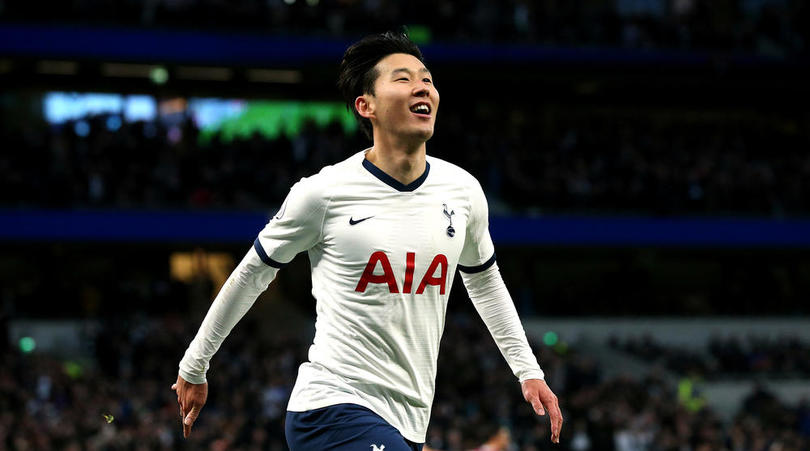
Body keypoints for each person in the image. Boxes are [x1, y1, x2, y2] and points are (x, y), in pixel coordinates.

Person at [172, 31, 563, 450]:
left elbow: (484, 281)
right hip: (330, 407)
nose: (422, 87)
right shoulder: (323, 193)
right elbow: (252, 273)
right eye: (403, 78)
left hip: (409, 420)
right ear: (366, 106)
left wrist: (528, 370)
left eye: (427, 78)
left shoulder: (462, 192)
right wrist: (195, 364)